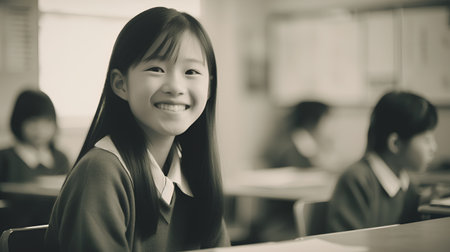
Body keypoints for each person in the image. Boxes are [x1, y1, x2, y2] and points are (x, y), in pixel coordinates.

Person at [45, 7, 230, 252]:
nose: (175, 86)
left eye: (191, 72)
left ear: (208, 88)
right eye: (156, 69)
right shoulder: (101, 172)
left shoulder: (194, 171)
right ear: (121, 84)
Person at [326, 90, 438, 232]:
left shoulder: (407, 183)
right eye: (426, 140)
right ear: (395, 144)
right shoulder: (357, 180)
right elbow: (344, 240)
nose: (434, 148)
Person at [0, 89, 70, 230]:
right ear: (18, 122)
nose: (40, 129)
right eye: (33, 122)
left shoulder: (60, 158)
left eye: (47, 122)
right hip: (14, 231)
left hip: (54, 231)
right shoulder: (5, 158)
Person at [261, 101, 333, 169]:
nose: (329, 126)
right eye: (325, 119)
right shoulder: (293, 146)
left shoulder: (303, 141)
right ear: (313, 121)